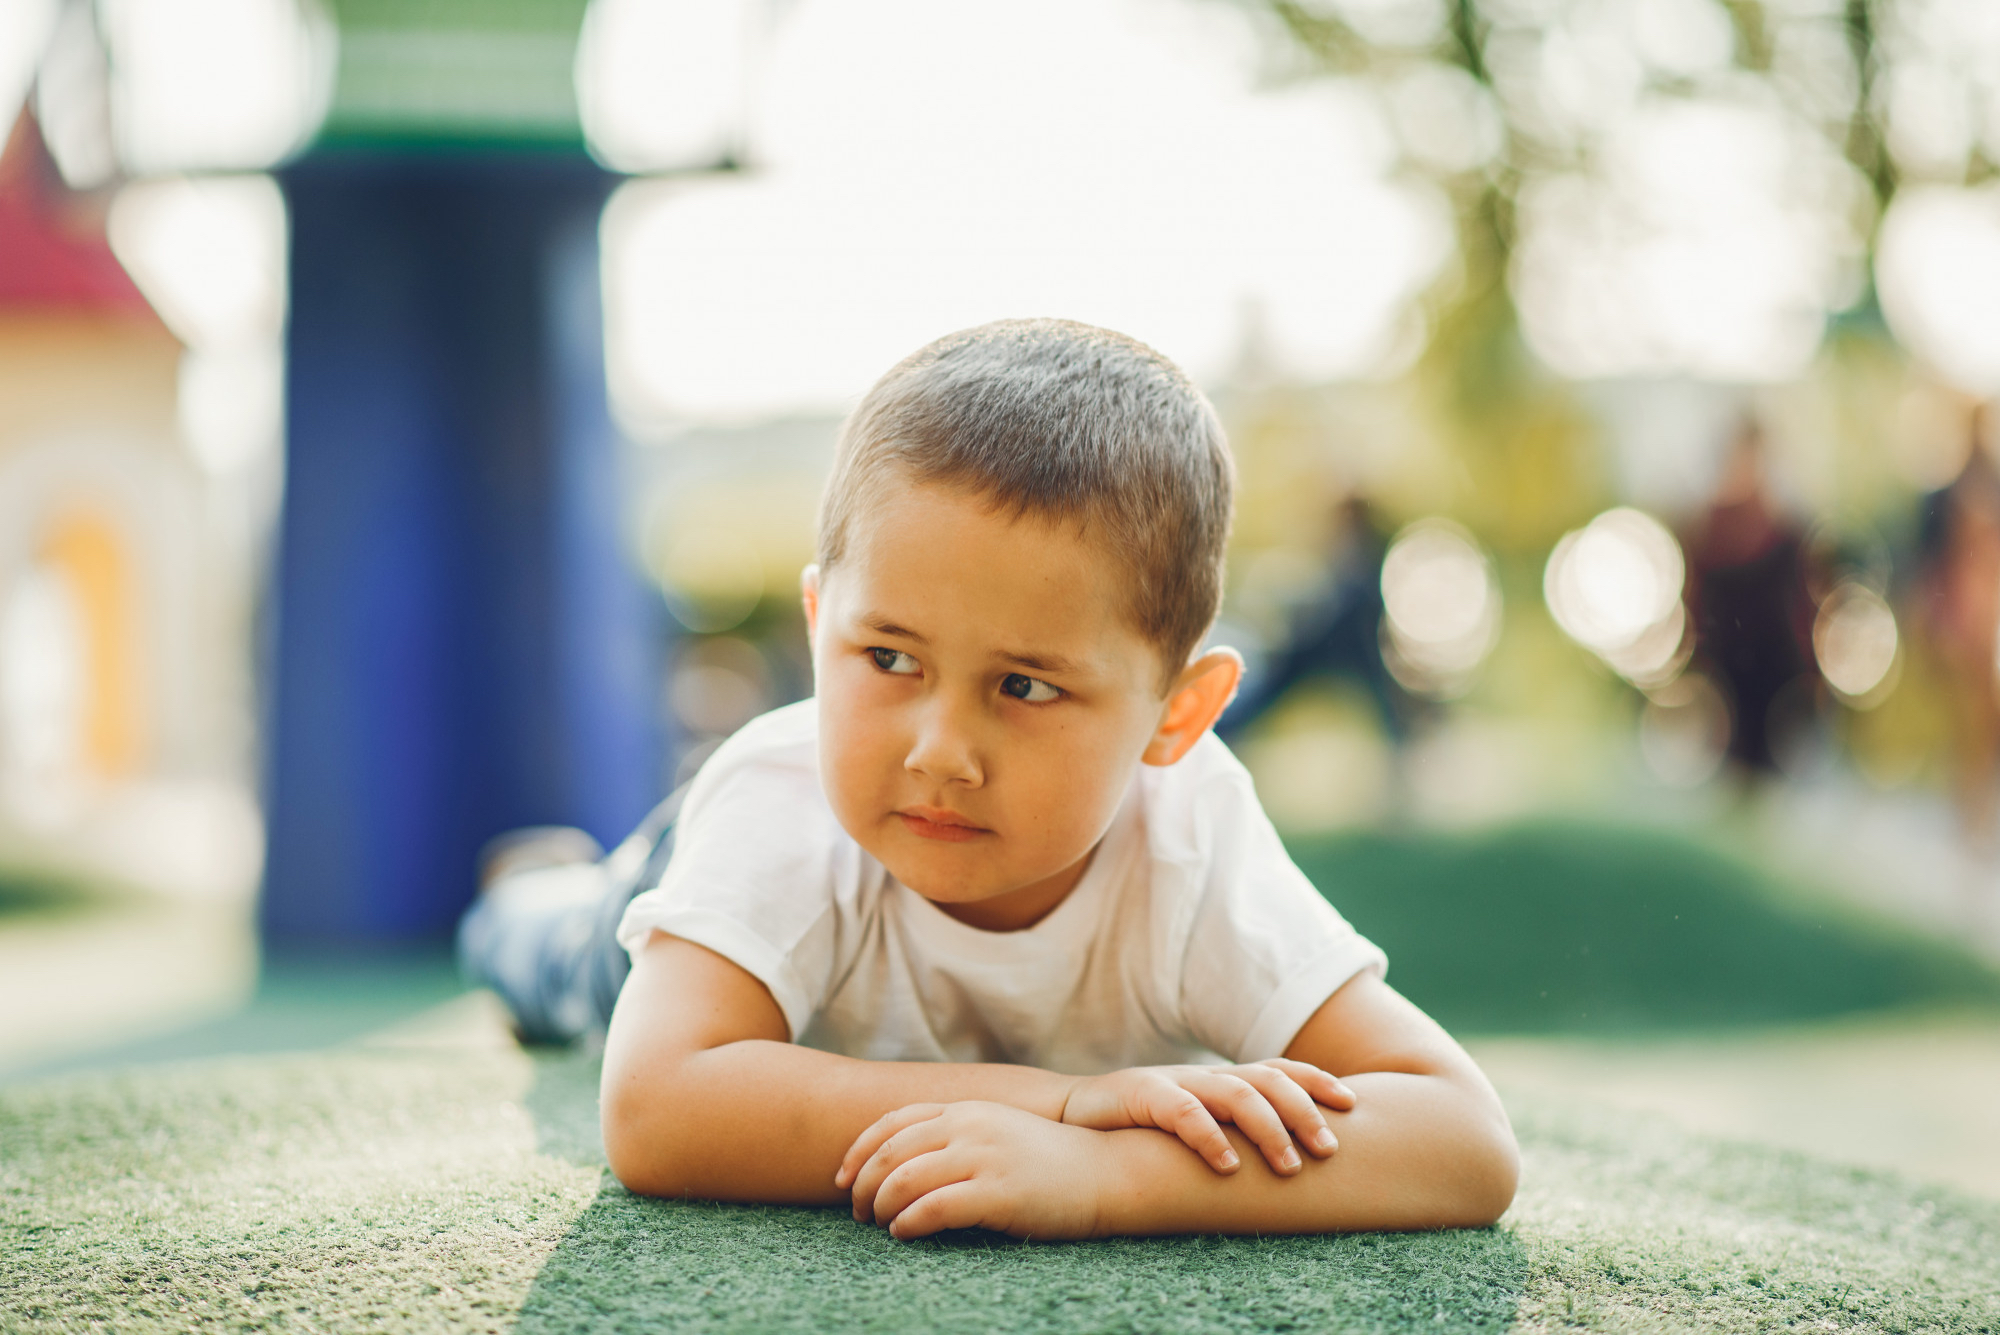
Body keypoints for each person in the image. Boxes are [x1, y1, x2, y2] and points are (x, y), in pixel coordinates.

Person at [462, 319, 1517, 1241]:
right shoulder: (779, 803)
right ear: (820, 623)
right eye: (887, 660)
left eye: (1022, 685)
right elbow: (656, 1109)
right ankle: (528, 892)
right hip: (657, 903)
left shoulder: (1191, 841)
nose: (937, 751)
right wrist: (1059, 1107)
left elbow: (1460, 1138)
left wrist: (1110, 1173)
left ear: (1176, 716)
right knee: (555, 949)